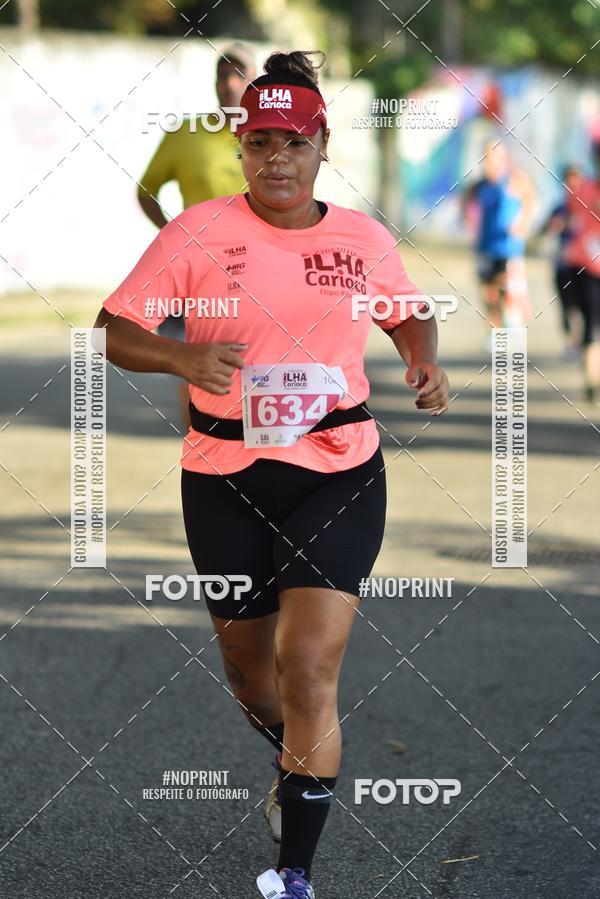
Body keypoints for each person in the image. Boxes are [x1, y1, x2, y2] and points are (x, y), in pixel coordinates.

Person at [95, 49, 449, 899]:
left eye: (294, 142)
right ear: (241, 147)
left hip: (338, 467)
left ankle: (293, 874)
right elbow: (114, 329)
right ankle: (296, 764)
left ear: (323, 144)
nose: (276, 159)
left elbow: (408, 312)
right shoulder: (196, 233)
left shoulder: (361, 238)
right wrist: (181, 355)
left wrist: (422, 358)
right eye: (260, 143)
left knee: (309, 667)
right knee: (255, 683)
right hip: (224, 475)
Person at [137, 42, 256, 424]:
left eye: (239, 74)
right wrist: (173, 234)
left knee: (256, 367)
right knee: (192, 370)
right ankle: (200, 443)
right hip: (196, 272)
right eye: (223, 74)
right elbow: (146, 191)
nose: (230, 83)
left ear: (255, 81)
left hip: (258, 270)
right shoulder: (185, 133)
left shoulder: (269, 136)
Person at [465, 141, 536, 342]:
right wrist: (469, 222)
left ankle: (514, 324)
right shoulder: (479, 185)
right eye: (486, 157)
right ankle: (496, 334)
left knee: (508, 289)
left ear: (503, 158)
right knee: (488, 293)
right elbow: (466, 203)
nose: (490, 162)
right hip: (485, 245)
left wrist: (522, 223)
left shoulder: (514, 179)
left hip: (508, 247)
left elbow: (531, 200)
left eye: (495, 157)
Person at [564, 143, 600, 405]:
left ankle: (591, 377)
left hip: (583, 263)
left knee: (591, 324)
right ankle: (592, 381)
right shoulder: (584, 189)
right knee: (591, 323)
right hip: (586, 266)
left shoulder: (583, 188)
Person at [539, 165, 584, 359]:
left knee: (585, 306)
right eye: (569, 184)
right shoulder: (559, 209)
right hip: (563, 265)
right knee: (567, 305)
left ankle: (585, 342)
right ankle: (573, 343)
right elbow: (543, 231)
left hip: (585, 267)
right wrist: (552, 227)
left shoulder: (590, 207)